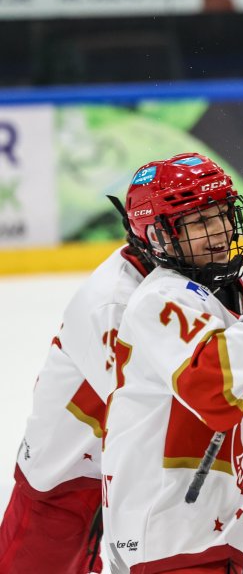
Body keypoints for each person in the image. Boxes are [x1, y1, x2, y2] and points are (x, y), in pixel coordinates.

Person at [101, 153, 243, 572]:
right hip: (170, 536)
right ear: (159, 236)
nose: (221, 231)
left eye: (222, 214)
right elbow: (213, 389)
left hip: (214, 528)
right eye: (200, 223)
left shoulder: (235, 290)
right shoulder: (161, 298)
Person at [0, 205, 154, 573]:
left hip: (119, 467)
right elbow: (150, 406)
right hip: (67, 471)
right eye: (197, 221)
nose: (219, 231)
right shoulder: (115, 302)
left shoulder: (173, 275)